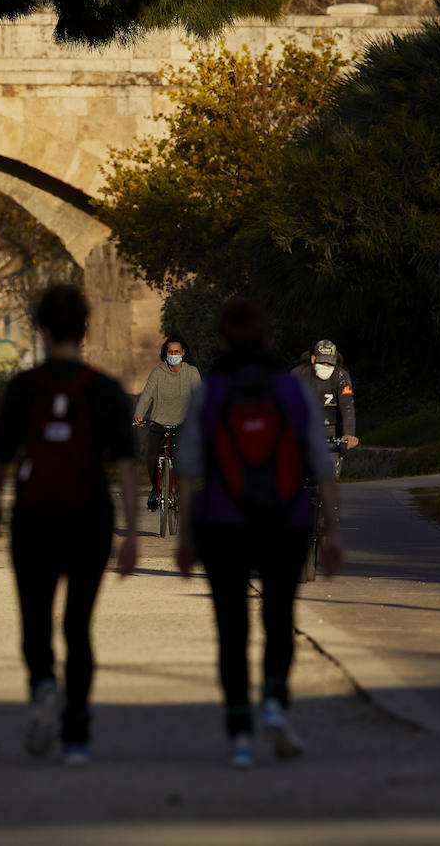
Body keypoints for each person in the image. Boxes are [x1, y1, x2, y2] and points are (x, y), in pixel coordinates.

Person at [173, 298, 342, 769]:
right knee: (279, 617)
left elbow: (186, 469)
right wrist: (334, 532)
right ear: (267, 337)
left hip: (222, 524)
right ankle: (274, 703)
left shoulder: (211, 391)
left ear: (223, 339)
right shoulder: (292, 390)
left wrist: (185, 537)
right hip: (285, 522)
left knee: (231, 629)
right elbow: (321, 465)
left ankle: (239, 735)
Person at [0, 285, 139, 766]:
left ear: (43, 330)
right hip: (90, 517)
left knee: (36, 620)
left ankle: (43, 686)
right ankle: (77, 736)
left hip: (34, 517)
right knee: (78, 626)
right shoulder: (106, 389)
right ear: (85, 329)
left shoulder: (24, 387)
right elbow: (128, 467)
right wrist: (133, 532)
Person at [133, 334, 202, 511]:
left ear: (184, 353)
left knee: (181, 460)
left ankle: (179, 494)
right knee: (151, 457)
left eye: (177, 351)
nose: (173, 354)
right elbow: (146, 395)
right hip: (158, 423)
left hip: (182, 424)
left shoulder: (191, 373)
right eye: (170, 351)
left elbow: (199, 398)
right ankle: (156, 490)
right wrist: (139, 413)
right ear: (165, 353)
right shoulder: (158, 372)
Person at [290, 339, 359, 451]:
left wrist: (349, 433)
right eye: (322, 363)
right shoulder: (299, 374)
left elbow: (347, 406)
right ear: (313, 359)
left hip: (330, 429)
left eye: (329, 363)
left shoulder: (341, 376)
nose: (325, 366)